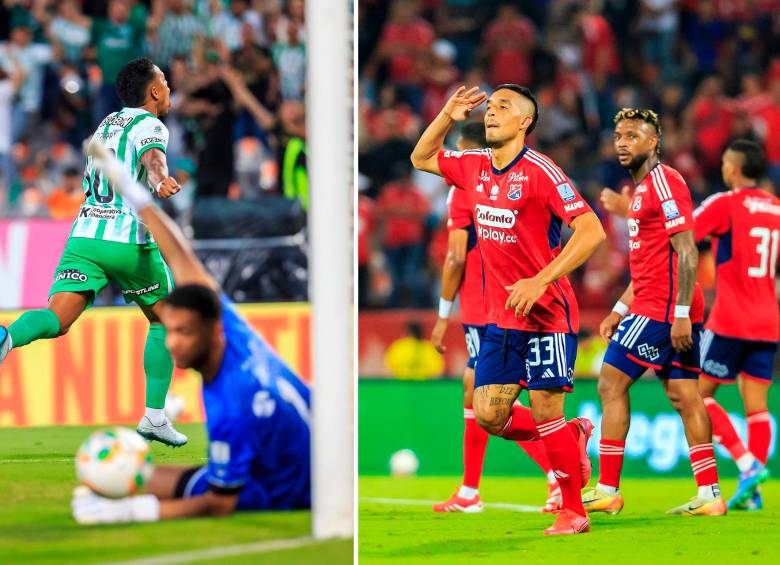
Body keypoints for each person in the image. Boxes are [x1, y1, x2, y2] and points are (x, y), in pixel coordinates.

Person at [71, 139, 310, 524]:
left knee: (156, 491)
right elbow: (180, 255)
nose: (173, 343)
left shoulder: (234, 398)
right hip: (293, 460)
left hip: (285, 488)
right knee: (138, 477)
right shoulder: (229, 326)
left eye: (184, 332)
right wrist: (123, 180)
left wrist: (128, 512)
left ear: (211, 332)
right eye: (170, 331)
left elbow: (220, 504)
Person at [411, 84, 605, 535]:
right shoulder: (474, 165)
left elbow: (591, 230)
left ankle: (572, 511)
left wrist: (541, 280)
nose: (492, 112)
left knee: (544, 408)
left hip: (548, 313)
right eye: (490, 105)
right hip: (503, 316)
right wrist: (446, 115)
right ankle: (570, 436)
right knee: (488, 415)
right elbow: (420, 158)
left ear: (525, 123)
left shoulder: (541, 171)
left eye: (504, 107)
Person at [0, 57, 187, 447]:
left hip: (84, 236)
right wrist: (160, 180)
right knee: (165, 319)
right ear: (153, 91)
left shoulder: (107, 123)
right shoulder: (152, 124)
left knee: (58, 318)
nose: (168, 88)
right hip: (127, 239)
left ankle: (7, 336)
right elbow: (153, 159)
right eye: (165, 82)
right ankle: (154, 416)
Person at [582, 108, 725, 517]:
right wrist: (618, 308)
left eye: (633, 135)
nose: (623, 142)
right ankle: (710, 495)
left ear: (654, 141)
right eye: (618, 135)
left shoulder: (665, 181)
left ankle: (607, 488)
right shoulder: (642, 190)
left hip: (664, 307)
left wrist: (680, 312)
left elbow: (686, 249)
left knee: (610, 385)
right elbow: (650, 261)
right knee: (685, 396)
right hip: (655, 302)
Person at [429, 121, 573, 514]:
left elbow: (456, 255)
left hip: (488, 309)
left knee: (495, 397)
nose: (453, 163)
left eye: (459, 152)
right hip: (500, 306)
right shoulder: (497, 178)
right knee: (486, 395)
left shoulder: (466, 186)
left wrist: (443, 315)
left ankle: (551, 473)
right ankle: (472, 488)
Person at [694, 140, 778, 510]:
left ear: (734, 168)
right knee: (756, 406)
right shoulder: (777, 209)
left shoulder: (725, 203)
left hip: (730, 318)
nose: (724, 167)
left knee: (699, 395)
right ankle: (753, 490)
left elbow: (685, 232)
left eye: (726, 161)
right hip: (768, 320)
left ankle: (745, 463)